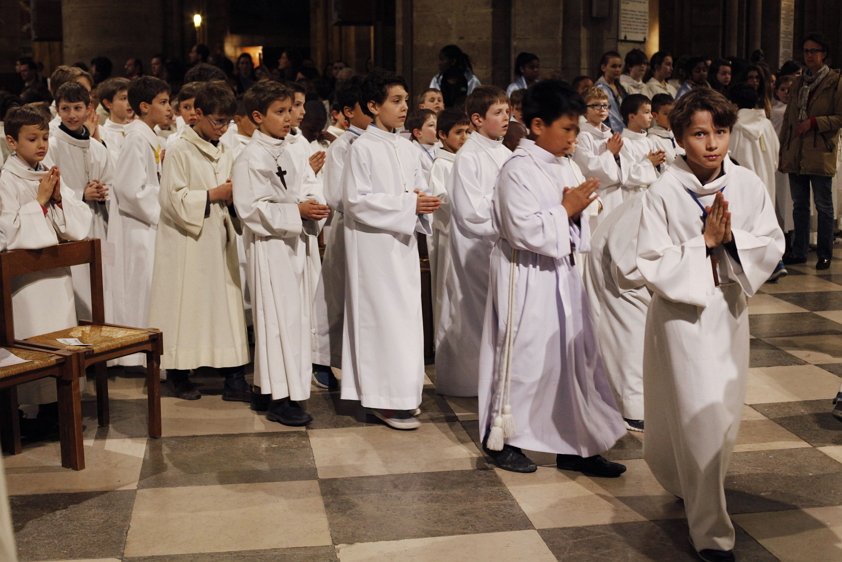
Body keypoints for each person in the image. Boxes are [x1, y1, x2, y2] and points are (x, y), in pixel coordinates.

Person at [636, 88, 784, 561]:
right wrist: (702, 243)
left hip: (728, 311)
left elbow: (771, 241)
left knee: (721, 416)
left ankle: (689, 483)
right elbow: (650, 260)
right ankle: (713, 534)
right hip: (681, 316)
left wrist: (731, 240)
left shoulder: (745, 185)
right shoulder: (663, 190)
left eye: (720, 132)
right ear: (679, 137)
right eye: (700, 133)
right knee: (696, 416)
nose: (713, 143)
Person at [478, 80, 626, 476]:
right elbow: (522, 229)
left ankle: (575, 443)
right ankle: (504, 438)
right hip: (525, 275)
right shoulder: (517, 169)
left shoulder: (566, 164)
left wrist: (577, 213)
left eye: (577, 129)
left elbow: (582, 219)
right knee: (526, 357)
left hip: (561, 273)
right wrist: (566, 210)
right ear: (537, 125)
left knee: (571, 360)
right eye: (567, 129)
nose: (574, 138)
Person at [341, 69, 440, 429]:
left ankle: (404, 394)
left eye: (404, 101)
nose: (403, 108)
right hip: (373, 249)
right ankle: (381, 399)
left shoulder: (406, 146)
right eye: (395, 101)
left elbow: (416, 186)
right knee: (381, 320)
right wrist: (407, 204)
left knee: (406, 320)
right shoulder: (362, 148)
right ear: (373, 106)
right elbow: (355, 201)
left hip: (403, 244)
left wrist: (422, 201)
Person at [148, 81, 250, 401]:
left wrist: (234, 200)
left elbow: (235, 195)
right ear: (198, 115)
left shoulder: (227, 151)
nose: (222, 128)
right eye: (217, 121)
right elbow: (171, 200)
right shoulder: (179, 149)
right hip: (187, 242)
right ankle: (179, 375)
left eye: (227, 121)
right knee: (186, 308)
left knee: (226, 308)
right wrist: (214, 195)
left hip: (218, 240)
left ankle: (234, 379)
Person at [0, 105, 92, 434]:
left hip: (57, 277)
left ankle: (59, 410)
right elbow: (7, 234)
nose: (41, 144)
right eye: (32, 138)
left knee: (61, 341)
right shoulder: (6, 181)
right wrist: (38, 203)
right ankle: (32, 413)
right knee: (34, 342)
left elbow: (77, 226)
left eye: (45, 136)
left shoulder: (48, 172)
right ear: (12, 141)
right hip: (27, 283)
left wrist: (58, 200)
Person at [232, 81, 315, 425]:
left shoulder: (293, 149)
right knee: (276, 322)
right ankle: (281, 398)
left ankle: (268, 390)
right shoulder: (250, 157)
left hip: (295, 245)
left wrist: (313, 206)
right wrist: (298, 211)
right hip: (269, 247)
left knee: (293, 321)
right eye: (279, 112)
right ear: (256, 116)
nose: (288, 118)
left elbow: (309, 184)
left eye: (289, 110)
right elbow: (251, 209)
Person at [435, 86, 510, 398]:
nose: (507, 118)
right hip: (476, 249)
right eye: (498, 113)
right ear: (477, 119)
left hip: (502, 245)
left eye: (508, 111)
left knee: (499, 316)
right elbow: (469, 212)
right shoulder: (468, 157)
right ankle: (467, 382)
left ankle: (496, 380)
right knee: (474, 316)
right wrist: (508, 221)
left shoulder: (505, 152)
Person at [109, 76, 172, 367]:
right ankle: (139, 356)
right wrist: (166, 205)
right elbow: (130, 190)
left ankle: (151, 355)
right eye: (163, 102)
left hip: (148, 225)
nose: (169, 108)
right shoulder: (136, 138)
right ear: (145, 107)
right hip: (139, 227)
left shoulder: (148, 135)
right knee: (142, 287)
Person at [312, 77, 371, 380]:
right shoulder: (342, 147)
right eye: (367, 108)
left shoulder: (382, 143)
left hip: (374, 233)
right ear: (348, 112)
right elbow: (335, 193)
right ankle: (322, 359)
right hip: (345, 228)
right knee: (335, 296)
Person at [47, 81, 113, 320]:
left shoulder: (97, 148)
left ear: (89, 109)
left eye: (77, 108)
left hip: (98, 224)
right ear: (57, 110)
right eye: (65, 109)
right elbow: (47, 187)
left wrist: (104, 192)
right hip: (68, 230)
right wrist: (80, 194)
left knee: (103, 285)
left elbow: (112, 182)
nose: (72, 115)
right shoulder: (52, 145)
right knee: (76, 289)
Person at [584, 194, 649, 432]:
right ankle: (631, 408)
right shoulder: (655, 199)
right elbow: (625, 262)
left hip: (639, 270)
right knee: (630, 334)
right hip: (621, 273)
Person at [780, 32, 842, 270]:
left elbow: (839, 117)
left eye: (814, 51)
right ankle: (799, 250)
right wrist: (784, 148)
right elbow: (789, 118)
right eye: (806, 51)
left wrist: (815, 122)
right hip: (796, 149)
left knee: (823, 205)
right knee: (799, 204)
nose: (809, 55)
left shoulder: (835, 81)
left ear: (823, 54)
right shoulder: (798, 82)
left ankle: (825, 253)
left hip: (820, 149)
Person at [729, 83, 787, 282]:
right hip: (766, 179)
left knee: (745, 224)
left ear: (734, 104)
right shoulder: (766, 124)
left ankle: (762, 266)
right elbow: (775, 152)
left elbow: (731, 154)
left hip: (743, 181)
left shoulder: (735, 126)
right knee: (764, 224)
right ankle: (773, 263)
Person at [428, 108, 470, 331]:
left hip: (470, 236)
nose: (465, 138)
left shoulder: (466, 161)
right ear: (442, 135)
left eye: (467, 132)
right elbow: (440, 199)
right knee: (449, 291)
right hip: (448, 236)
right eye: (459, 132)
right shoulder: (441, 165)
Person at [572, 87, 623, 224]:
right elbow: (589, 169)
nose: (602, 109)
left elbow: (621, 169)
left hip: (616, 194)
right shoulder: (583, 136)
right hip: (600, 194)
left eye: (605, 105)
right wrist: (610, 152)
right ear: (585, 110)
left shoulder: (610, 134)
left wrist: (617, 156)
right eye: (595, 105)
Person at [619, 94, 664, 199]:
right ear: (632, 117)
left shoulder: (648, 141)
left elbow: (657, 172)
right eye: (646, 112)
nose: (651, 116)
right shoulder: (623, 142)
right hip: (633, 196)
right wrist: (649, 162)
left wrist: (659, 163)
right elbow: (627, 177)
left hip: (652, 193)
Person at [97, 77, 133, 162]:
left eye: (131, 97)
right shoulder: (102, 135)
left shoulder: (139, 129)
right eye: (123, 98)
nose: (129, 103)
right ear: (108, 103)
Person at [647, 93, 683, 168]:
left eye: (673, 112)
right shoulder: (652, 140)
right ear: (655, 115)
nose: (671, 117)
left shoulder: (676, 134)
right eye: (666, 114)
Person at [595, 51, 626, 132]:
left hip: (624, 130)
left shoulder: (620, 88)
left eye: (619, 66)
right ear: (603, 68)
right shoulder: (599, 88)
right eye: (613, 66)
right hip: (608, 130)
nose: (617, 69)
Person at [406, 109, 438, 179]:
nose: (437, 128)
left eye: (438, 124)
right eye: (431, 125)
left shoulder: (442, 146)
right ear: (418, 133)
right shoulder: (412, 152)